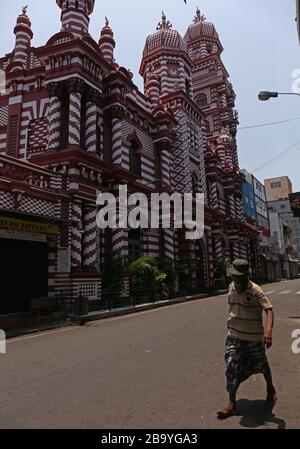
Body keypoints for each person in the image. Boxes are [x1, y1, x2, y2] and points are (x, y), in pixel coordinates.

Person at [217, 259, 277, 419]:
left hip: (253, 337)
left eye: (239, 278)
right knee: (231, 365)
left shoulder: (255, 290)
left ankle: (270, 389)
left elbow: (269, 310)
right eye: (234, 277)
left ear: (246, 276)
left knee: (262, 365)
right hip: (234, 335)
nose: (236, 281)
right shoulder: (231, 287)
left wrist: (268, 331)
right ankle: (232, 403)